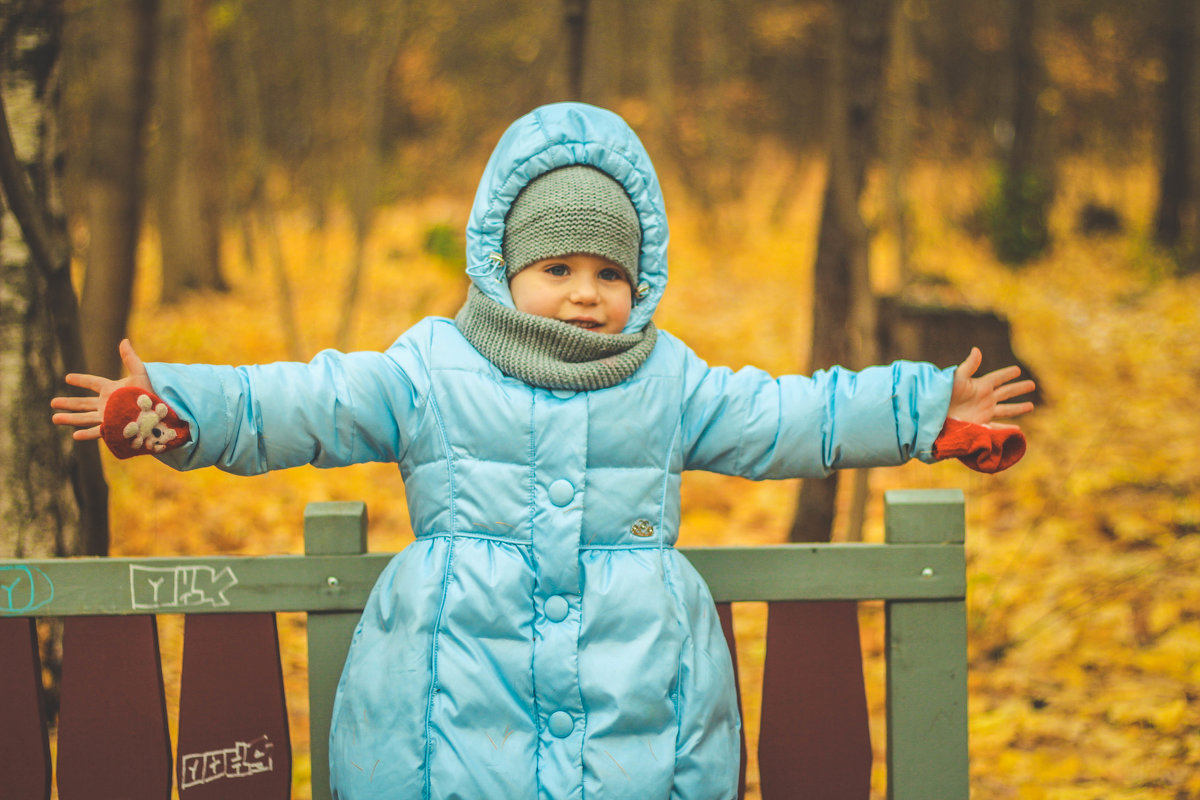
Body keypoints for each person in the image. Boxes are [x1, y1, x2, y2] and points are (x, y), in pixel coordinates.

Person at [52, 102, 1033, 799]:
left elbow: (790, 416)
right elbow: (305, 398)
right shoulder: (431, 367)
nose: (583, 293)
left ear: (639, 282)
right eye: (557, 266)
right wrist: (180, 407)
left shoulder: (667, 378)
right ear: (503, 266)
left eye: (609, 271)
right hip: (455, 688)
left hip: (632, 689)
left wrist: (920, 408)